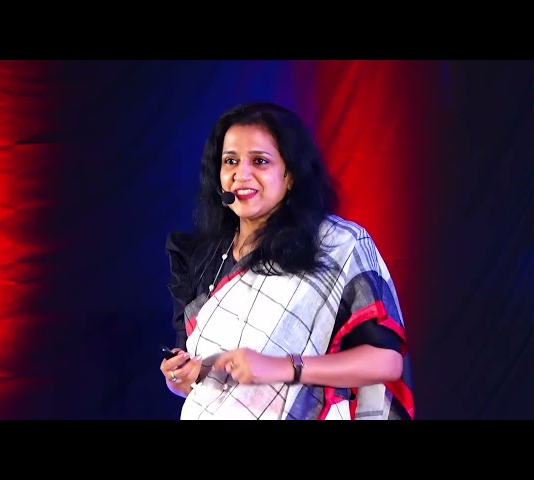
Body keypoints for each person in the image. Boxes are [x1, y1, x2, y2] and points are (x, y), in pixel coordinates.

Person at [160, 101, 414, 420]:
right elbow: (193, 382)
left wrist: (282, 367)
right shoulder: (200, 258)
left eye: (260, 161)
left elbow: (386, 362)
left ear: (290, 174)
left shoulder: (337, 245)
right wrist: (179, 377)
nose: (241, 175)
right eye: (230, 161)